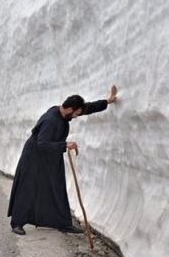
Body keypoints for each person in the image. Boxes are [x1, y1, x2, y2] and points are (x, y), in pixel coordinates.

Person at [7, 85, 118, 235]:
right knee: (28, 188)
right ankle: (17, 223)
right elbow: (42, 143)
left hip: (51, 156)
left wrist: (107, 101)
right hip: (34, 156)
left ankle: (62, 223)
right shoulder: (50, 121)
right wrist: (65, 145)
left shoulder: (63, 111)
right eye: (76, 113)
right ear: (70, 109)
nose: (77, 116)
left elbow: (85, 109)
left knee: (57, 187)